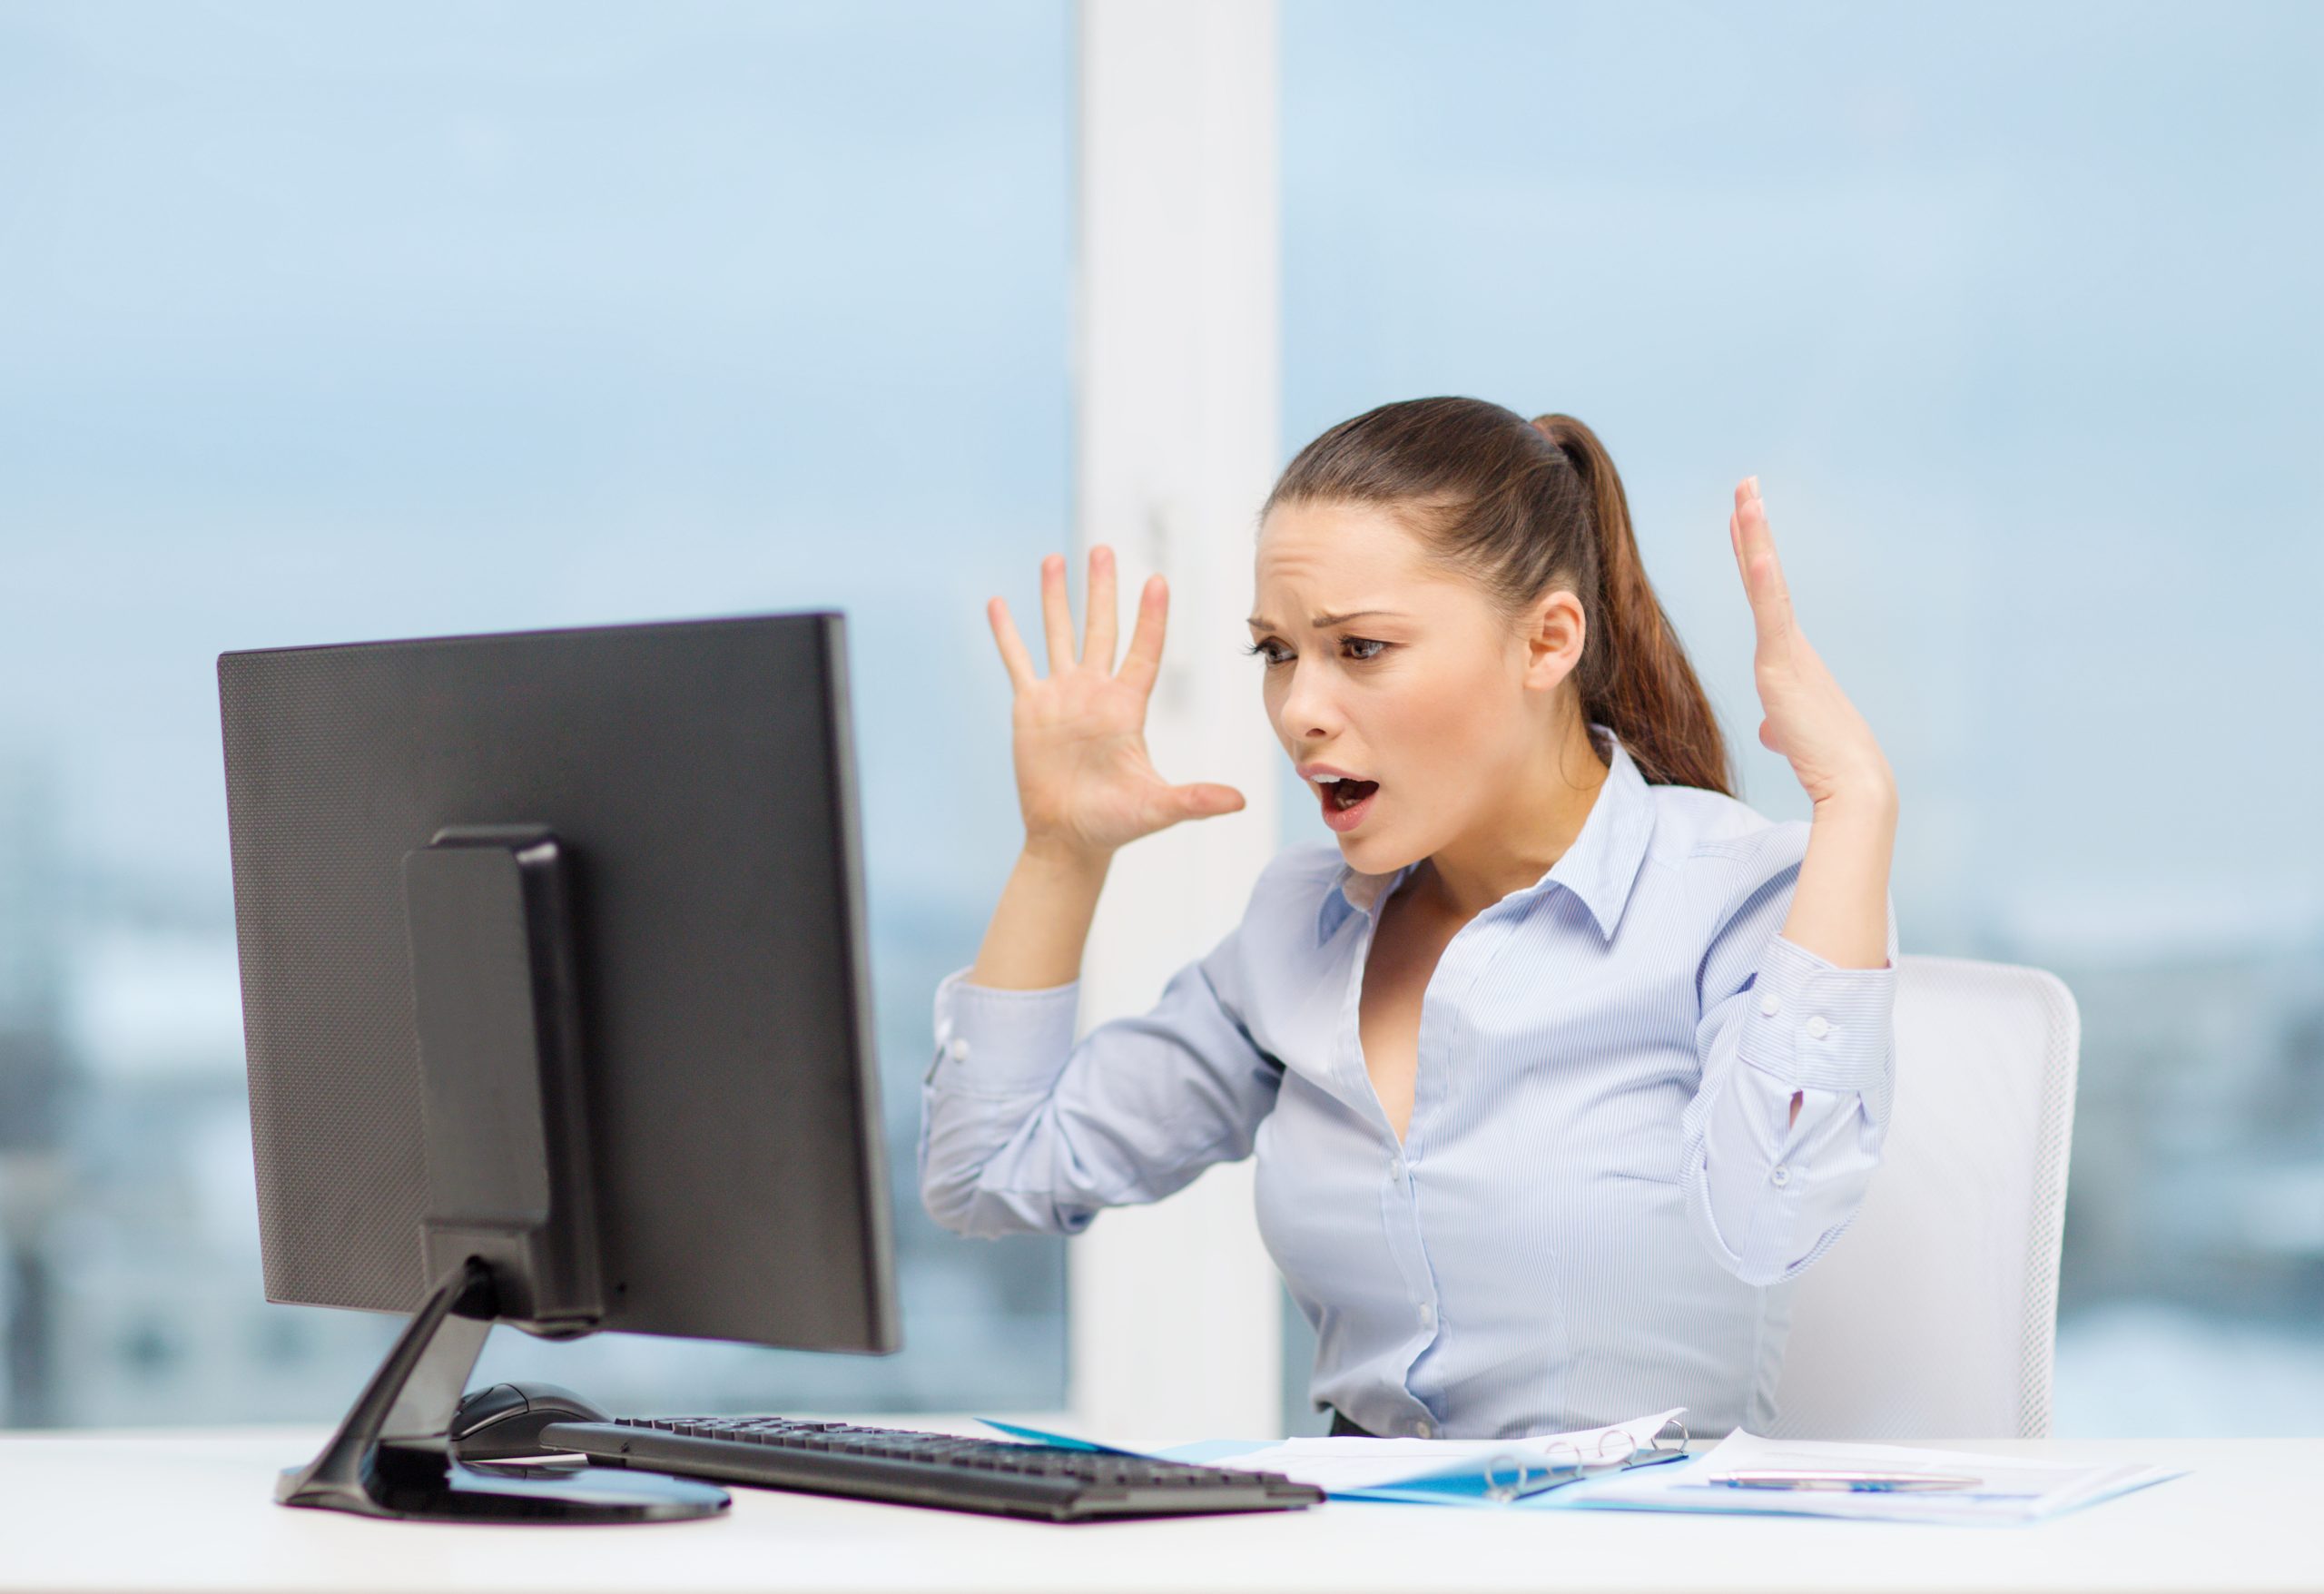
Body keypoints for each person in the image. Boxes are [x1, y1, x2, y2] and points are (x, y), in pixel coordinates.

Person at [919, 397, 1898, 1441]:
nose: (1300, 708)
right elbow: (987, 1173)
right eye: (1276, 652)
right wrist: (1060, 853)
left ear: (1547, 640)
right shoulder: (1297, 930)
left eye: (1362, 648)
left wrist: (1855, 801)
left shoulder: (1729, 896)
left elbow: (1770, 1221)